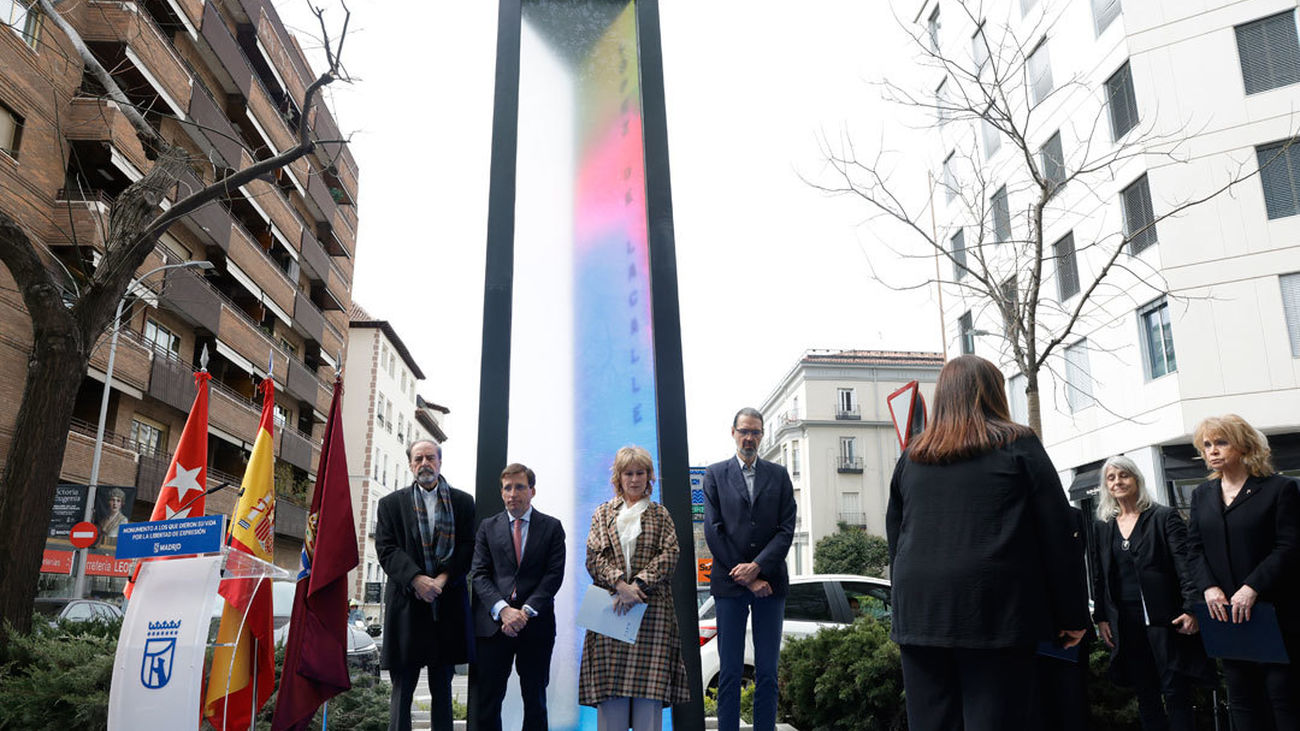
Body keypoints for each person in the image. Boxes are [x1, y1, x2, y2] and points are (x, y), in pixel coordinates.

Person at [885, 355, 1089, 731]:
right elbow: (1058, 535)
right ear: (994, 393)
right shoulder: (1018, 444)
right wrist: (1073, 615)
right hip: (994, 611)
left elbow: (896, 534)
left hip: (920, 611)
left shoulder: (913, 455)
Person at [1185, 415, 1300, 731]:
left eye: (1221, 442)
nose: (1213, 451)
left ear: (1244, 444)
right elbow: (1193, 548)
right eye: (1207, 445)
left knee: (1284, 700)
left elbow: (1289, 547)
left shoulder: (1281, 488)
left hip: (1275, 614)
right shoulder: (1201, 495)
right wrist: (1208, 586)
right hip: (1226, 617)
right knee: (1241, 702)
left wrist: (1252, 587)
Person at [1091, 455, 1212, 731]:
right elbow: (1100, 575)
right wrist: (1102, 617)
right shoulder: (1103, 525)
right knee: (1145, 692)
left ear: (1137, 480)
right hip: (1126, 622)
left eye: (1124, 476)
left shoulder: (1163, 516)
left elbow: (1185, 566)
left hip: (1166, 620)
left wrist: (1191, 608)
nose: (1118, 482)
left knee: (1175, 690)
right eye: (1111, 478)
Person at [579, 445, 690, 730]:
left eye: (640, 472)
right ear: (618, 476)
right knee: (611, 706)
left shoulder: (660, 514)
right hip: (611, 615)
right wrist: (619, 584)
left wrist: (637, 586)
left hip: (651, 616)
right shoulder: (602, 513)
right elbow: (593, 557)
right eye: (628, 473)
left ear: (649, 476)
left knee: (647, 709)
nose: (634, 479)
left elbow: (670, 555)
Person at [701, 407, 796, 731]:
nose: (749, 438)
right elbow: (713, 530)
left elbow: (786, 529)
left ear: (762, 434)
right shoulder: (714, 475)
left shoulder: (779, 475)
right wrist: (744, 576)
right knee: (729, 670)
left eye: (756, 432)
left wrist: (757, 568)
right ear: (733, 432)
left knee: (768, 671)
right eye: (744, 431)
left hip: (770, 583)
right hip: (729, 585)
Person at [375, 439, 475, 731]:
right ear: (410, 465)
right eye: (418, 459)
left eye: (430, 458)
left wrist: (441, 581)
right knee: (402, 689)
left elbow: (468, 547)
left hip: (447, 608)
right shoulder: (390, 504)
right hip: (407, 606)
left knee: (443, 689)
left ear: (440, 462)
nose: (424, 464)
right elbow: (386, 549)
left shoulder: (462, 502)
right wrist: (417, 579)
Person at [469, 463, 566, 731]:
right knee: (488, 701)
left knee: (535, 700)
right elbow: (478, 574)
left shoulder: (552, 528)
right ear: (502, 493)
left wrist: (524, 612)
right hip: (493, 628)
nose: (513, 493)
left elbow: (553, 576)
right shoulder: (487, 528)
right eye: (508, 488)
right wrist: (503, 610)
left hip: (536, 625)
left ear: (532, 491)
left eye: (520, 487)